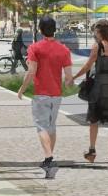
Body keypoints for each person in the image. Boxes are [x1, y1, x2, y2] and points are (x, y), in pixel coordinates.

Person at [18, 15, 73, 179]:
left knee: (41, 127)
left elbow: (31, 72)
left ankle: (49, 159)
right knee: (51, 126)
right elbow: (69, 77)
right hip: (56, 94)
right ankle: (48, 158)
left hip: (41, 93)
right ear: (54, 30)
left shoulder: (35, 48)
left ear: (40, 30)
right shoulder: (64, 50)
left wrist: (22, 89)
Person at [71, 20, 108, 169]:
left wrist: (74, 77)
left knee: (94, 120)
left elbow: (88, 65)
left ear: (100, 31)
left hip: (100, 87)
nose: (94, 34)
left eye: (95, 31)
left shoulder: (98, 46)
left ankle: (92, 151)